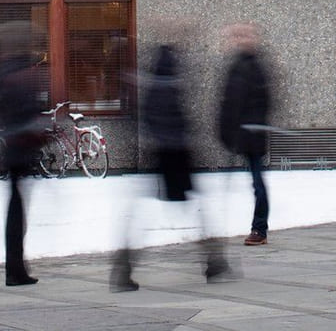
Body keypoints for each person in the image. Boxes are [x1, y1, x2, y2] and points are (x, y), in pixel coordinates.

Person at [113, 39, 228, 291]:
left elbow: (146, 119)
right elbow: (176, 121)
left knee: (154, 211)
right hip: (176, 154)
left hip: (160, 153)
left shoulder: (152, 87)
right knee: (196, 207)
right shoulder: (169, 88)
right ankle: (213, 260)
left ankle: (124, 265)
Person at [0, 39, 47, 287]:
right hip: (19, 150)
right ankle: (15, 270)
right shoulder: (19, 80)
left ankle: (16, 268)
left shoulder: (4, 76)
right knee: (16, 212)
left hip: (13, 149)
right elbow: (25, 115)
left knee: (16, 208)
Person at [217, 22, 275, 246]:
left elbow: (261, 101)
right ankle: (258, 228)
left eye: (243, 35)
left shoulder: (254, 67)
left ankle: (259, 229)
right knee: (256, 182)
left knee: (258, 183)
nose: (239, 40)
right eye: (237, 36)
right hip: (242, 133)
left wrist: (247, 125)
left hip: (251, 134)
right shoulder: (239, 66)